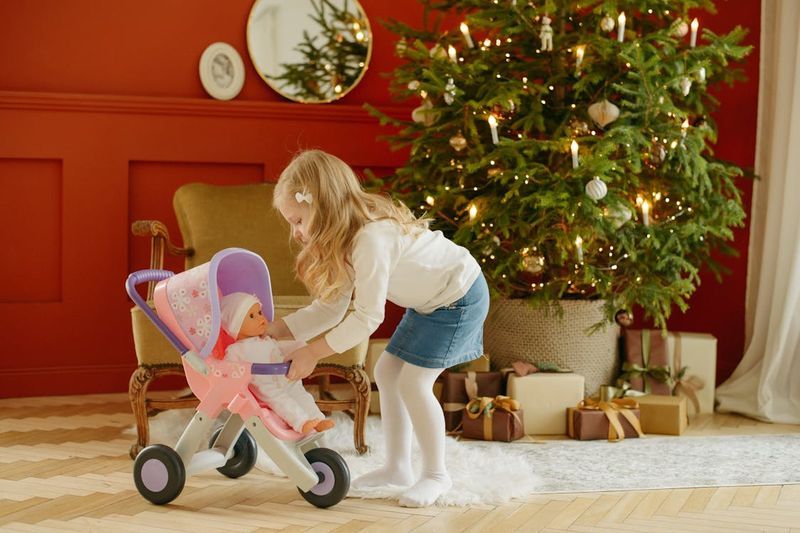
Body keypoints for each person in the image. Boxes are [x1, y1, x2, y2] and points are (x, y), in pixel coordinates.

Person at [265, 149, 490, 507]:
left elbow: (368, 317)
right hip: (429, 303)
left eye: (298, 220)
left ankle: (436, 474)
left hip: (458, 297)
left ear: (322, 209)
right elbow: (330, 308)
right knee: (387, 372)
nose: (296, 233)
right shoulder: (342, 240)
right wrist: (280, 330)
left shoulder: (371, 238)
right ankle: (397, 467)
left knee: (414, 383)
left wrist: (313, 351)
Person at [219, 291, 334, 435]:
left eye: (259, 312)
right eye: (252, 316)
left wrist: (301, 347)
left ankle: (317, 419)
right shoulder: (235, 350)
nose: (260, 318)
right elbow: (226, 369)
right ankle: (302, 423)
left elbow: (281, 348)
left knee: (301, 395)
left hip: (284, 377)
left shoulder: (266, 340)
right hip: (265, 386)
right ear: (236, 326)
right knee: (282, 402)